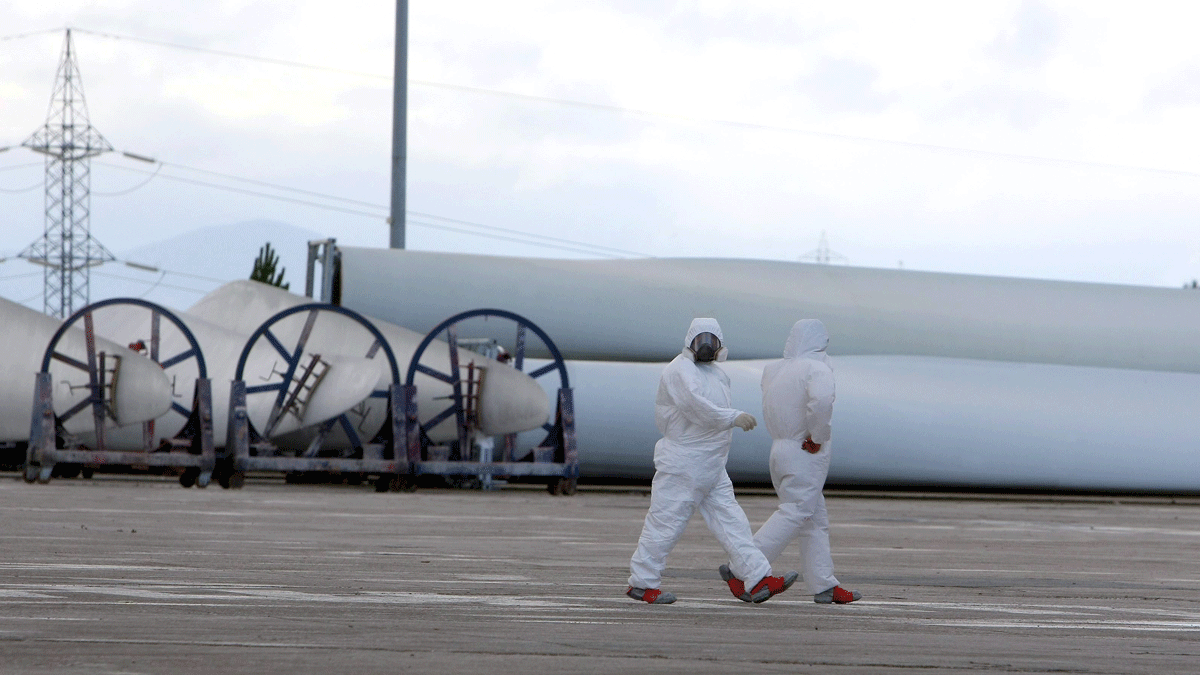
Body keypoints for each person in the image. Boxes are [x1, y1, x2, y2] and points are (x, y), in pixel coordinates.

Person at [627, 318, 798, 604]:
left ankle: (755, 577)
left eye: (711, 340)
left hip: (712, 465)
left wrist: (728, 421)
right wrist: (732, 417)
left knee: (733, 522)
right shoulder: (679, 371)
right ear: (689, 342)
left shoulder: (718, 375)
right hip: (683, 463)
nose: (706, 346)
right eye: (700, 340)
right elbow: (696, 407)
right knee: (665, 524)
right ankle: (642, 583)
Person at [719, 319, 861, 604]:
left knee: (813, 518)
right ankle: (741, 569)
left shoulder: (774, 370)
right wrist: (818, 436)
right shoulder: (816, 368)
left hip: (779, 448)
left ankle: (824, 585)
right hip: (804, 450)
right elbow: (821, 402)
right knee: (796, 511)